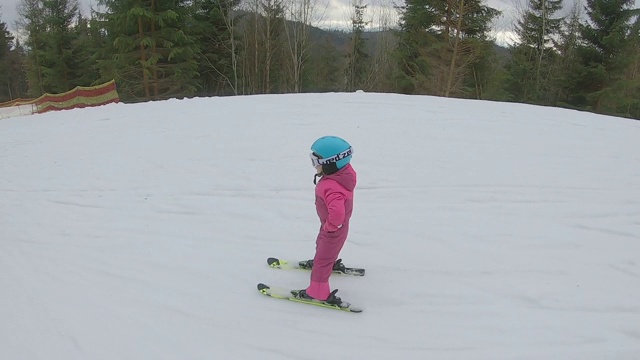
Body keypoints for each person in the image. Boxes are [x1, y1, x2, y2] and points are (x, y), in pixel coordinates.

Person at [292, 136, 357, 305]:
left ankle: (318, 292)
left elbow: (337, 214)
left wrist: (330, 225)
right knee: (322, 246)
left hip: (333, 228)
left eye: (316, 161)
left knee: (322, 259)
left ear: (331, 163)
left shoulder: (332, 187)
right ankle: (328, 260)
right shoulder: (341, 175)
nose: (314, 165)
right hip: (331, 227)